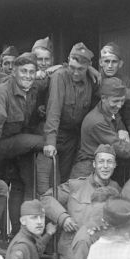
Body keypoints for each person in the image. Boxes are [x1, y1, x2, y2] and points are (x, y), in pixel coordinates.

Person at [0, 52, 48, 233]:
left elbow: (53, 75)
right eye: (23, 71)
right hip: (1, 144)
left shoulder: (34, 88)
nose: (28, 76)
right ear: (13, 72)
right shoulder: (2, 92)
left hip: (18, 147)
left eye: (32, 72)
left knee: (19, 184)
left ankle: (16, 233)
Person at [70, 78, 130, 179]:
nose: (119, 105)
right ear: (103, 98)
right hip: (86, 174)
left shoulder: (110, 112)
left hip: (99, 170)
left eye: (122, 101)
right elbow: (123, 150)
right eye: (115, 101)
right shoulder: (97, 121)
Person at [43, 42, 95, 187]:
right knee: (48, 181)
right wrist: (50, 143)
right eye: (72, 68)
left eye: (81, 69)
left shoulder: (93, 79)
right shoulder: (59, 77)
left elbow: (111, 95)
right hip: (55, 134)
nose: (76, 73)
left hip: (72, 139)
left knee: (65, 180)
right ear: (67, 61)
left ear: (89, 66)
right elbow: (54, 111)